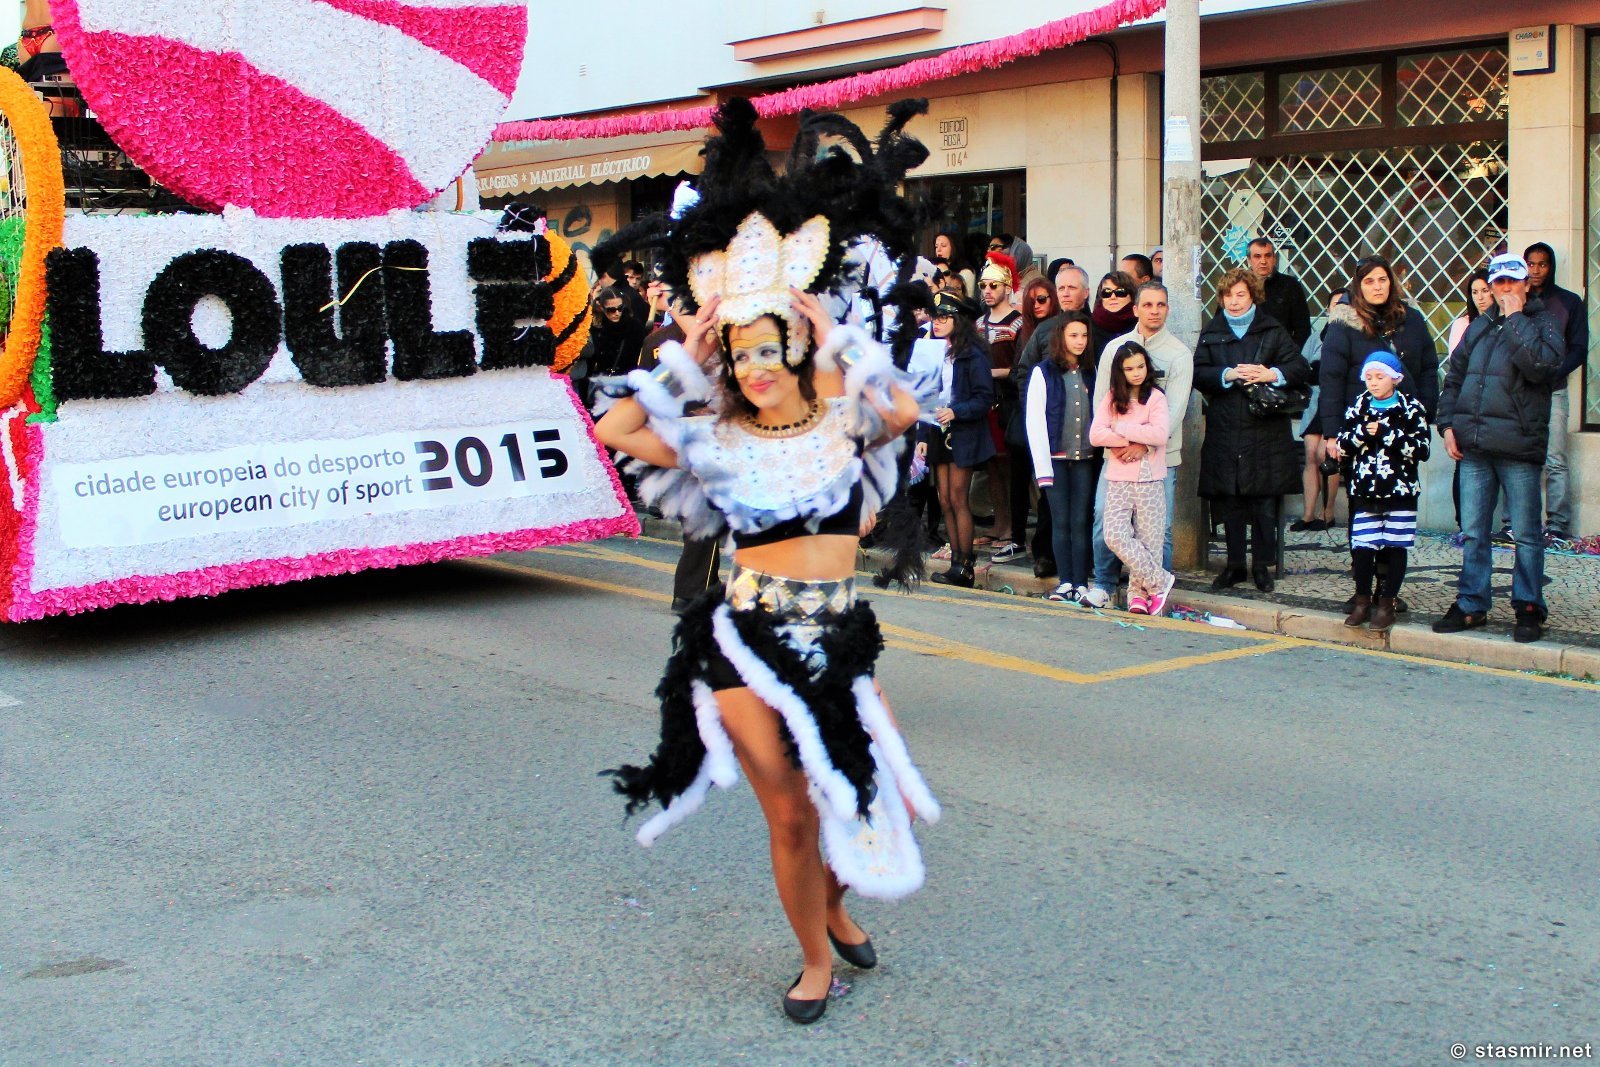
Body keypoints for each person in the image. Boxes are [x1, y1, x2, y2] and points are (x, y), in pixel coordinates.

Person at [595, 98, 941, 1024]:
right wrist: (685, 349)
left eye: (765, 348)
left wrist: (835, 337)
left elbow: (906, 411)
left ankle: (832, 900)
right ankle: (814, 959)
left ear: (793, 347)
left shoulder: (842, 417)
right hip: (745, 639)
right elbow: (616, 427)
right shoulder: (712, 436)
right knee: (789, 813)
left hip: (838, 637)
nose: (752, 366)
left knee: (872, 794)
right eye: (737, 353)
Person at [1433, 253, 1566, 644]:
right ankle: (1471, 603)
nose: (1505, 288)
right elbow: (1454, 378)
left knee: (1526, 534)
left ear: (1526, 284)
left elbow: (1541, 367)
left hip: (1518, 446)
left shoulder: (1543, 323)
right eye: (1499, 283)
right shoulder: (1478, 327)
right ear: (1491, 287)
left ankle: (1529, 607)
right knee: (1474, 532)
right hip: (1475, 446)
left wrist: (1515, 318)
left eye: (1512, 281)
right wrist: (1447, 425)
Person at [1193, 267, 1312, 593]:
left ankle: (1261, 566)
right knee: (1229, 499)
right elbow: (1198, 373)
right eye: (1228, 295)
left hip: (1264, 429)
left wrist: (1270, 374)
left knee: (1263, 501)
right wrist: (1227, 374)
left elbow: (1300, 368)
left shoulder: (1271, 329)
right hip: (1225, 427)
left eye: (1240, 295)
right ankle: (1234, 566)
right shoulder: (1212, 331)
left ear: (1253, 297)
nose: (1233, 301)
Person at [1084, 282, 1195, 608]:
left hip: (1160, 459)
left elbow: (1174, 411)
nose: (1154, 311)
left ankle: (1151, 593)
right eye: (1147, 305)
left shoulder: (1179, 354)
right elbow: (1101, 404)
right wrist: (1121, 442)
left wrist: (1144, 446)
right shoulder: (1114, 348)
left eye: (1160, 305)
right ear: (1135, 309)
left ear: (1168, 309)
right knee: (1104, 520)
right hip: (1117, 457)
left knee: (1158, 530)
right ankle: (1104, 584)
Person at [1330, 351, 1430, 633]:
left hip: (1400, 490)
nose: (1373, 382)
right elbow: (1342, 444)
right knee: (1363, 547)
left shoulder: (1411, 408)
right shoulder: (1359, 405)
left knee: (1395, 547)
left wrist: (1387, 434)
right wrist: (1362, 433)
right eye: (1369, 377)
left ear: (1395, 379)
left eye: (1380, 377)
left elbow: (1422, 449)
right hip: (1365, 490)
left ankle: (1387, 604)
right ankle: (1362, 600)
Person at [1011, 263, 1095, 578]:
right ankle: (1051, 563)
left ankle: (1082, 572)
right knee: (1054, 514)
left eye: (1072, 287)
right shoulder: (1045, 333)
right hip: (1054, 447)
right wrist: (1039, 414)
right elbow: (1024, 373)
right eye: (1061, 288)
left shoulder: (1095, 335)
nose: (1066, 293)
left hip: (1087, 448)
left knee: (1082, 516)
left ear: (1086, 292)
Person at [1090, 342, 1175, 616]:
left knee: (1150, 540)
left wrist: (1121, 428)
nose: (1136, 373)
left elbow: (1160, 434)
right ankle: (1160, 581)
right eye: (1129, 369)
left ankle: (1138, 595)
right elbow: (1096, 435)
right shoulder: (1112, 398)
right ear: (1120, 371)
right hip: (1118, 478)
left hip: (1149, 478)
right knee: (1114, 535)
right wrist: (1133, 439)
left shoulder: (1156, 398)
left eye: (1140, 366)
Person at [1025, 310, 1098, 603]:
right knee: (1061, 521)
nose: (1079, 341)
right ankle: (1065, 581)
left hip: (1085, 459)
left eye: (1084, 335)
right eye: (1073, 335)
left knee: (1081, 520)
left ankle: (1081, 582)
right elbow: (1034, 421)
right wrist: (1042, 468)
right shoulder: (1043, 372)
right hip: (1054, 459)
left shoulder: (1091, 371)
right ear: (1061, 337)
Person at [925, 293, 997, 586]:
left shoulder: (972, 354)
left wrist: (956, 411)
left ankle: (965, 565)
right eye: (935, 317)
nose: (937, 323)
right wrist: (922, 434)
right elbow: (924, 395)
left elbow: (984, 398)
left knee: (957, 497)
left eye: (944, 317)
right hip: (936, 429)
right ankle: (955, 562)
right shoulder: (932, 352)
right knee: (944, 499)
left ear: (958, 320)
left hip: (963, 431)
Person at [1523, 242, 1588, 542]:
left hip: (1554, 391)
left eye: (1542, 264)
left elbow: (1578, 349)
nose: (1536, 270)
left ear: (1551, 267)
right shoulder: (1517, 300)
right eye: (1531, 264)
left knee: (1555, 459)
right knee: (1520, 458)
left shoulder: (1568, 302)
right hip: (1521, 391)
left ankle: (1558, 524)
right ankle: (1516, 522)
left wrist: (1553, 372)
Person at [976, 253, 1022, 559]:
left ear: (1007, 287)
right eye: (983, 286)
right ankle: (999, 522)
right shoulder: (978, 323)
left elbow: (1020, 366)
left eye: (993, 285)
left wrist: (992, 373)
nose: (987, 291)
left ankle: (1011, 527)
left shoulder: (1018, 322)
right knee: (992, 465)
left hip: (1008, 400)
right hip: (985, 401)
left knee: (1009, 466)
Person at [1292, 289, 1346, 532]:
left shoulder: (1350, 336)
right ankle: (1307, 514)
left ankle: (1328, 512)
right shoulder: (1316, 338)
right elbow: (1301, 366)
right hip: (1314, 401)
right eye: (1335, 304)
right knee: (1311, 454)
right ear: (1327, 309)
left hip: (1337, 402)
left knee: (1327, 455)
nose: (1339, 308)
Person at [1246, 237, 1312, 350]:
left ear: (1274, 259)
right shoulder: (1238, 286)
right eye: (1257, 256)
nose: (1263, 261)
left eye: (1267, 256)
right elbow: (1222, 324)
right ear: (1249, 260)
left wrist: (1289, 354)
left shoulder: (1290, 285)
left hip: (1281, 354)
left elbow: (1303, 328)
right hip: (1244, 353)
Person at [1090, 271, 1138, 359]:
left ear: (1131, 295)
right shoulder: (1088, 325)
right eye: (1106, 292)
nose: (1113, 297)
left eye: (1120, 292)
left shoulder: (1140, 325)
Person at [933, 232, 976, 297]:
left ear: (954, 247)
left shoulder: (965, 272)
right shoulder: (933, 268)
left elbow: (966, 298)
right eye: (936, 246)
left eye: (943, 246)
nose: (938, 250)